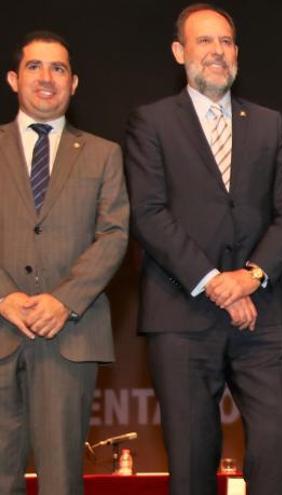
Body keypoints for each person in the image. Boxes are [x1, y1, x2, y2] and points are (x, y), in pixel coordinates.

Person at [123, 4, 282, 494]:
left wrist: (250, 277)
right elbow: (149, 214)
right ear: (180, 52)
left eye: (225, 42)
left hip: (262, 315)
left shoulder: (269, 124)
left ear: (237, 53)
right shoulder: (152, 122)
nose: (217, 52)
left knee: (275, 449)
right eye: (204, 42)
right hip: (182, 314)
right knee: (190, 462)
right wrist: (214, 283)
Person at [0, 31, 129, 495]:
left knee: (62, 481)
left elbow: (114, 235)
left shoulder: (103, 153)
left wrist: (63, 301)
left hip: (70, 333)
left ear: (74, 83)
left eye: (59, 69)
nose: (47, 78)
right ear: (14, 79)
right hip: (0, 326)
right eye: (35, 66)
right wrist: (5, 297)